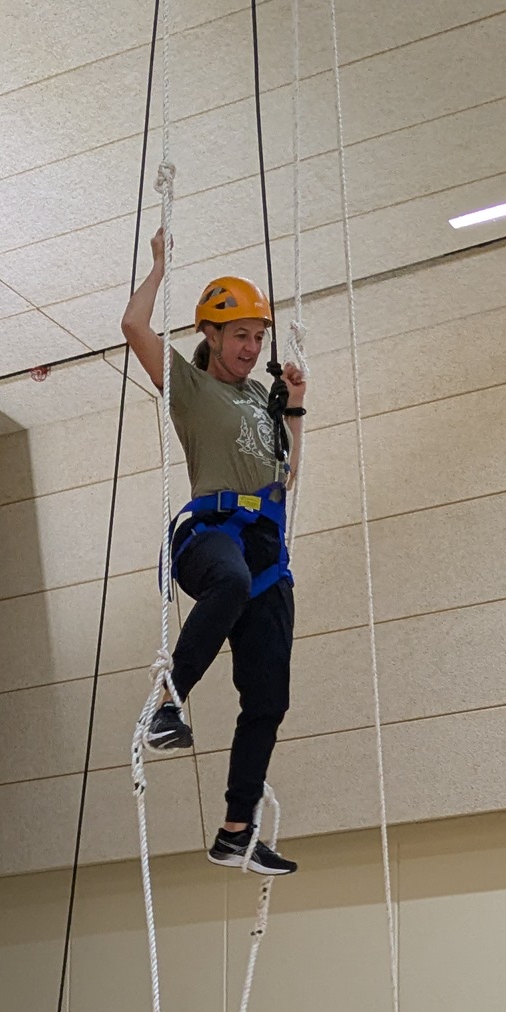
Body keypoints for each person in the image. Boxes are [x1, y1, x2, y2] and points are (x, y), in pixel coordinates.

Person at [121, 228, 306, 877]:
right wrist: (159, 269)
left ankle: (235, 832)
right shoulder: (193, 389)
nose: (251, 349)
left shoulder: (262, 397)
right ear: (211, 335)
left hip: (265, 548)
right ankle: (167, 705)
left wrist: (297, 409)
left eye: (258, 337)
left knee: (269, 697)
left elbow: (284, 477)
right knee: (225, 584)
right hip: (212, 535)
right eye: (239, 337)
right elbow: (133, 326)